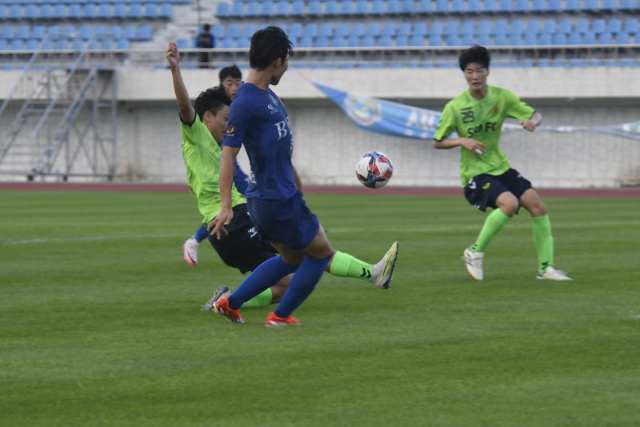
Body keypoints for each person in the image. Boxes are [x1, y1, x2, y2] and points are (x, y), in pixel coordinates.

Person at [166, 42, 398, 312]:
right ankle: (373, 274)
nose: (229, 124)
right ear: (206, 117)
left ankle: (225, 303)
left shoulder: (221, 145)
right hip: (234, 221)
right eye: (224, 118)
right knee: (313, 251)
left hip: (231, 226)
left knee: (284, 283)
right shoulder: (196, 134)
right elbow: (185, 106)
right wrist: (175, 70)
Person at [433, 45, 571, 282]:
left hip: (500, 167)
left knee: (537, 206)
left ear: (488, 72)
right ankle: (474, 252)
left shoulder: (502, 97)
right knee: (509, 203)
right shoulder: (455, 107)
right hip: (475, 175)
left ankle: (545, 269)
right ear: (464, 74)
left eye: (479, 70)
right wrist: (462, 140)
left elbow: (535, 114)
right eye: (469, 71)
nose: (474, 76)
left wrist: (532, 123)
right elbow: (438, 142)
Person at [182, 65, 250, 266]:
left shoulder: (236, 104)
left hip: (229, 162)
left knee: (241, 201)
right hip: (220, 165)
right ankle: (195, 240)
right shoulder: (214, 109)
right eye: (230, 83)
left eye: (238, 82)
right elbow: (187, 111)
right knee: (241, 200)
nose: (234, 87)